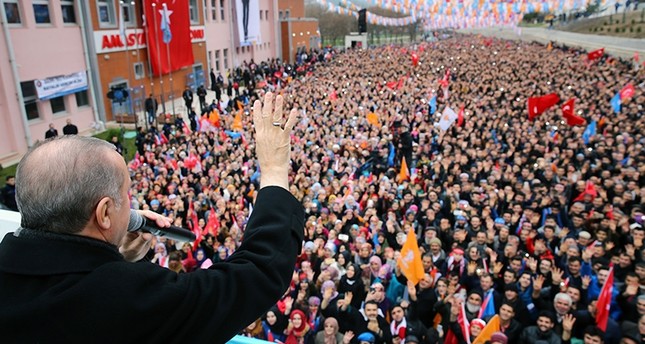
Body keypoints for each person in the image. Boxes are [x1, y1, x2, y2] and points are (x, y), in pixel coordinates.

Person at [0, 92, 305, 342]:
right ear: (105, 213)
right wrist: (276, 171)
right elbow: (255, 275)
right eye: (127, 193)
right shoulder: (121, 297)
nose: (131, 203)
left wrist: (117, 258)